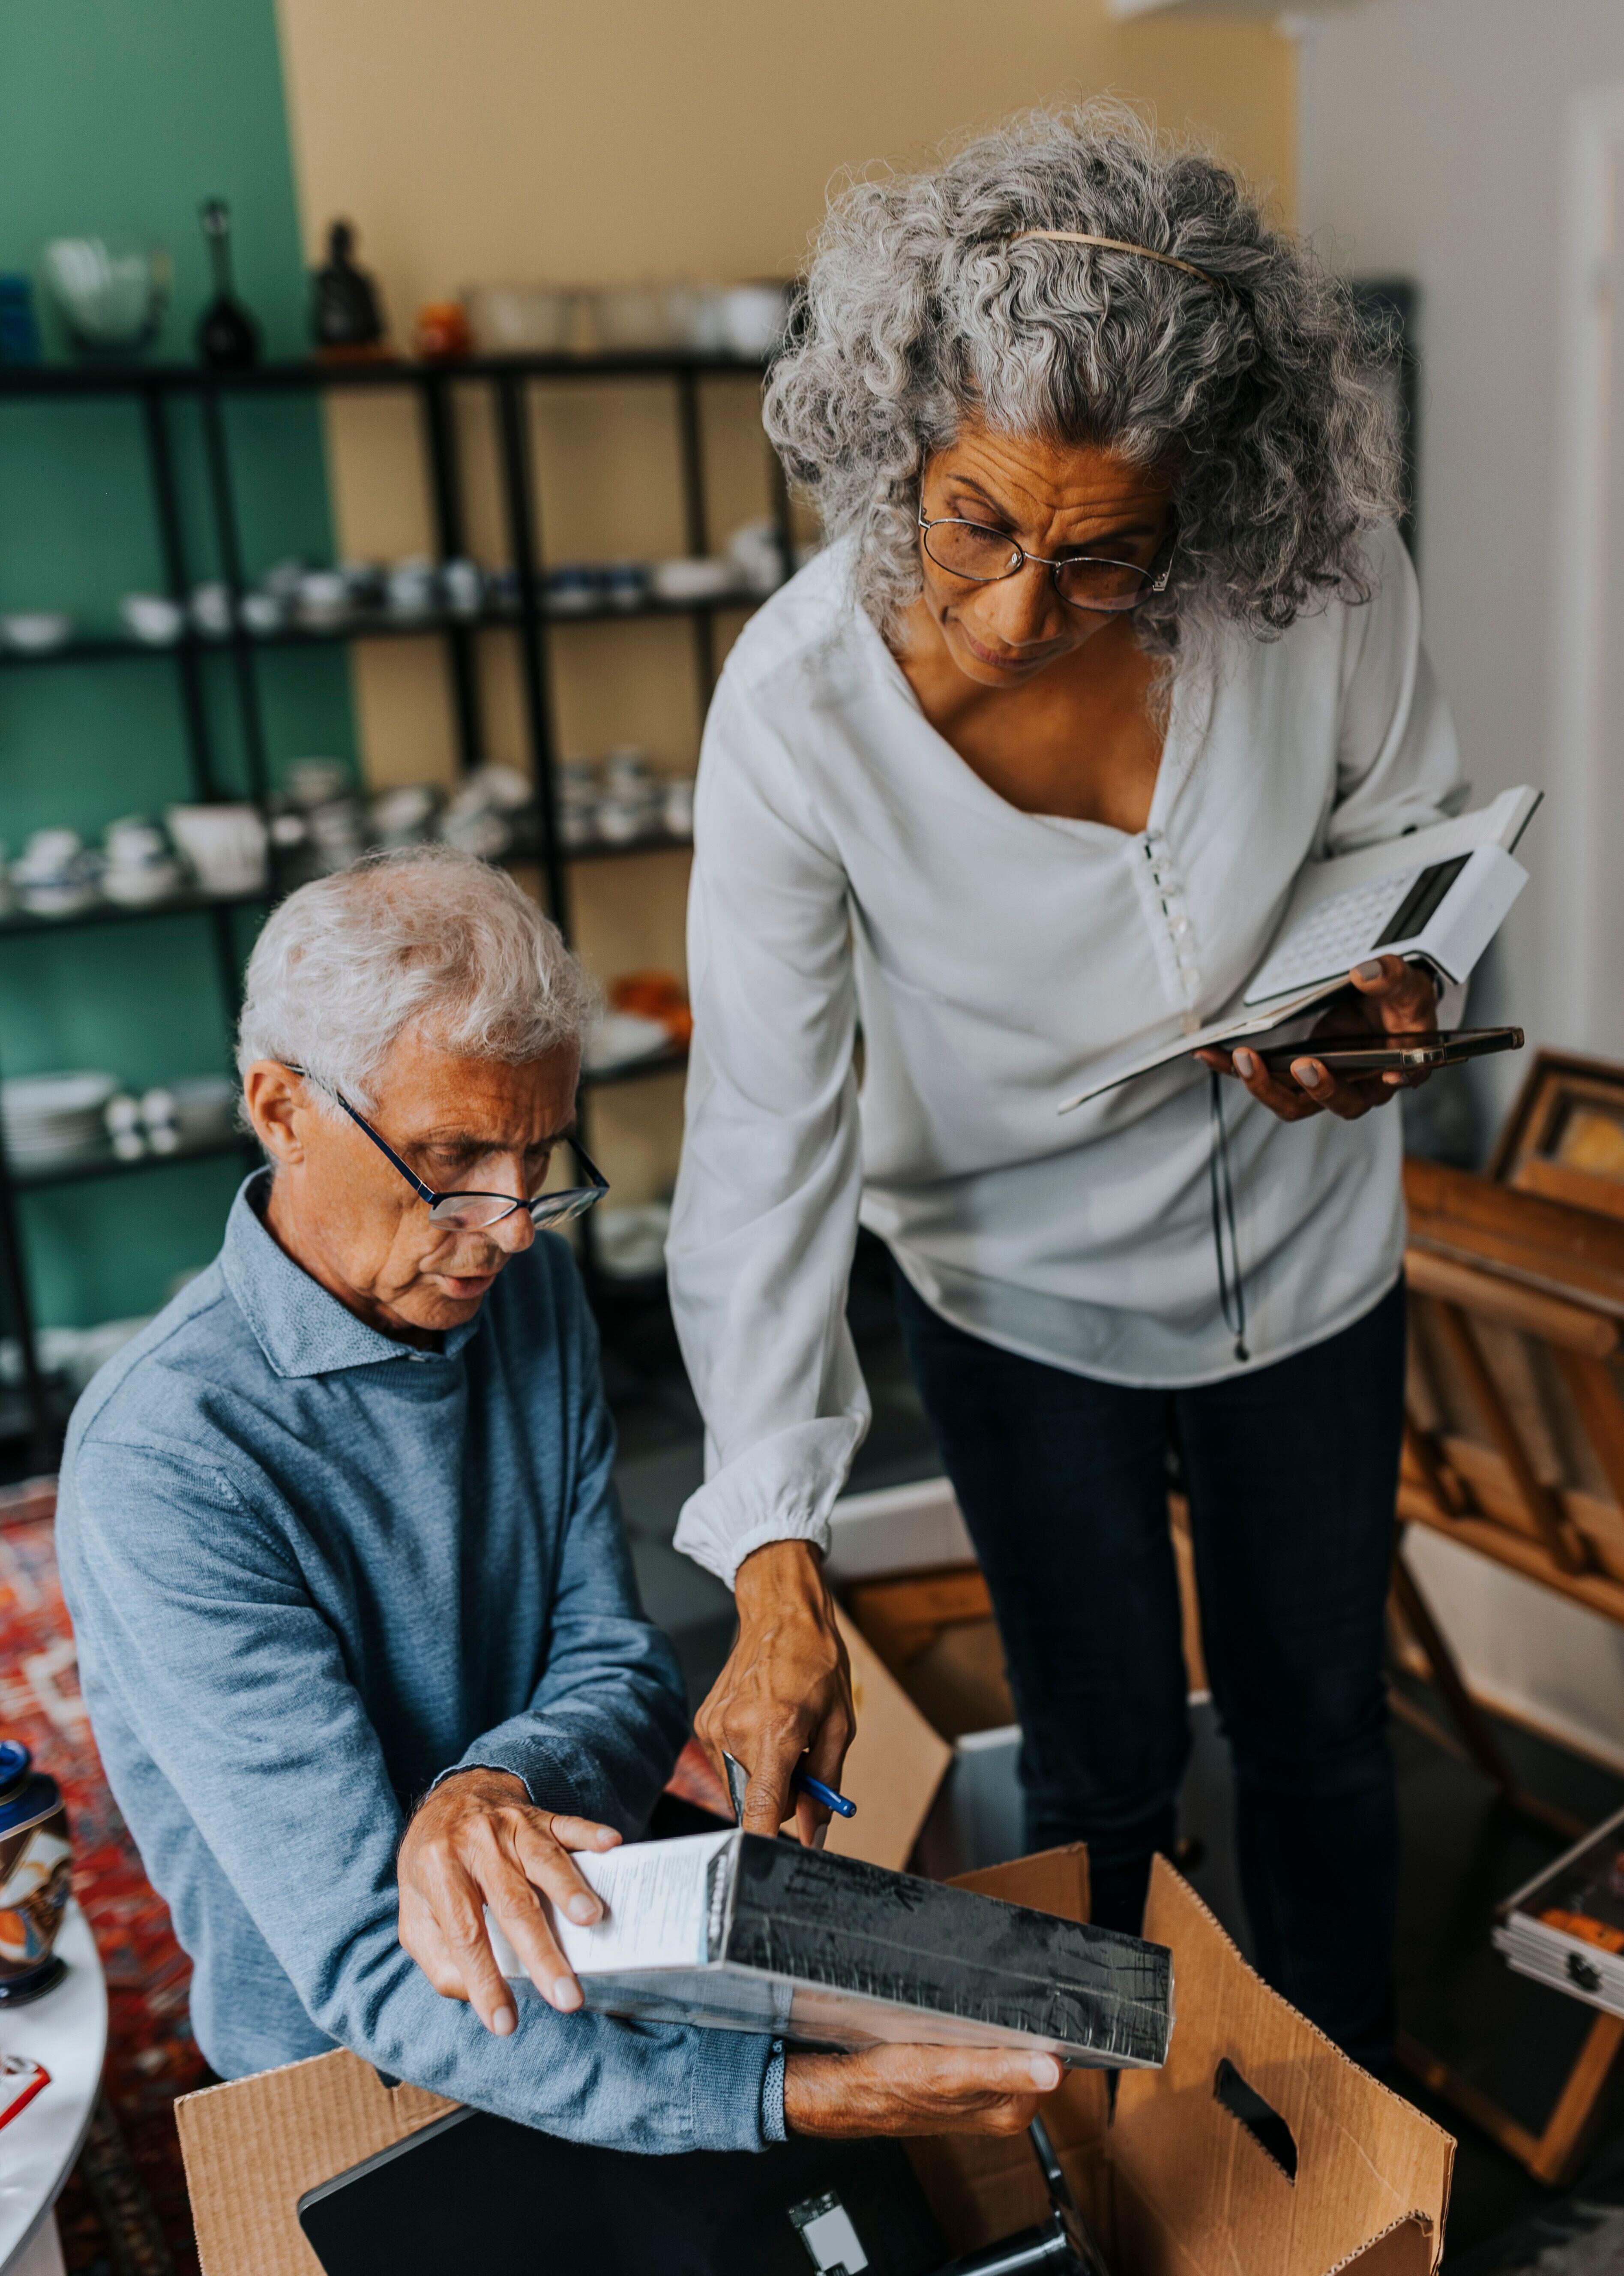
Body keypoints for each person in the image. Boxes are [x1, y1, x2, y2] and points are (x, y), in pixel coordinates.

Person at [668, 105, 1461, 2068]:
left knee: (1320, 1728)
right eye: (979, 525)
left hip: (1311, 1263)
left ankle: (1345, 2120)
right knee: (1103, 1757)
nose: (1022, 609)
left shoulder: (1330, 579)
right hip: (1017, 1301)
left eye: (1104, 554)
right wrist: (778, 1547)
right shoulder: (796, 711)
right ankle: (1121, 2112)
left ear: (1217, 502)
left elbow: (1413, 833)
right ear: (895, 446)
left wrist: (1396, 990)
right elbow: (768, 1132)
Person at [56, 849, 1059, 2150]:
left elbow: (621, 1667)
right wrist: (788, 2099)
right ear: (280, 1108)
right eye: (452, 1156)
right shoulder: (165, 1460)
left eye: (538, 1157)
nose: (516, 1224)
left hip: (606, 1950)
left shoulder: (521, 1288)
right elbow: (369, 1956)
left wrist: (490, 1787)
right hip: (355, 2066)